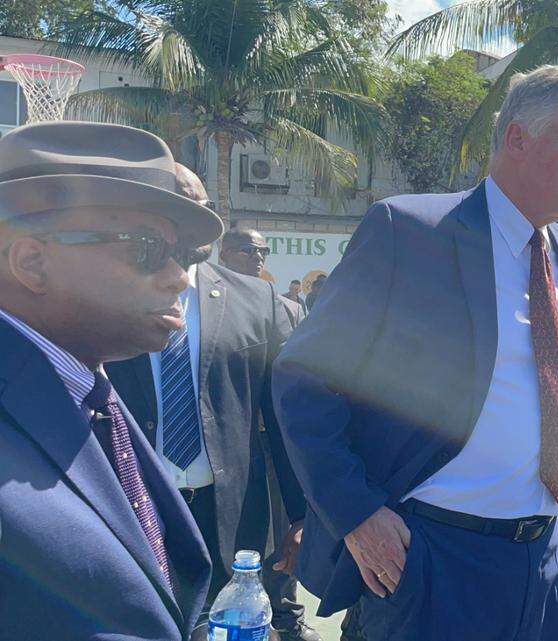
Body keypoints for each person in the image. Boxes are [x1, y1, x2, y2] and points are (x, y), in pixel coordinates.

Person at [273, 64, 558, 641]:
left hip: (546, 555)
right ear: (517, 139)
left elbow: (553, 381)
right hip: (433, 556)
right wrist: (354, 512)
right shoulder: (412, 231)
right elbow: (305, 378)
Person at [0, 121, 221, 639]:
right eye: (146, 248)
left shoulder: (89, 389)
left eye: (182, 254)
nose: (180, 276)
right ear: (32, 261)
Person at [104, 168, 308, 638]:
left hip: (231, 519)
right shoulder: (104, 295)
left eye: (199, 209)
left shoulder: (258, 300)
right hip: (131, 508)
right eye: (170, 208)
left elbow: (285, 415)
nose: (187, 222)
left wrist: (302, 515)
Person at [220, 228, 306, 328]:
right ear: (224, 255)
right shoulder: (205, 302)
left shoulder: (291, 311)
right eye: (248, 250)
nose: (259, 256)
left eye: (264, 251)